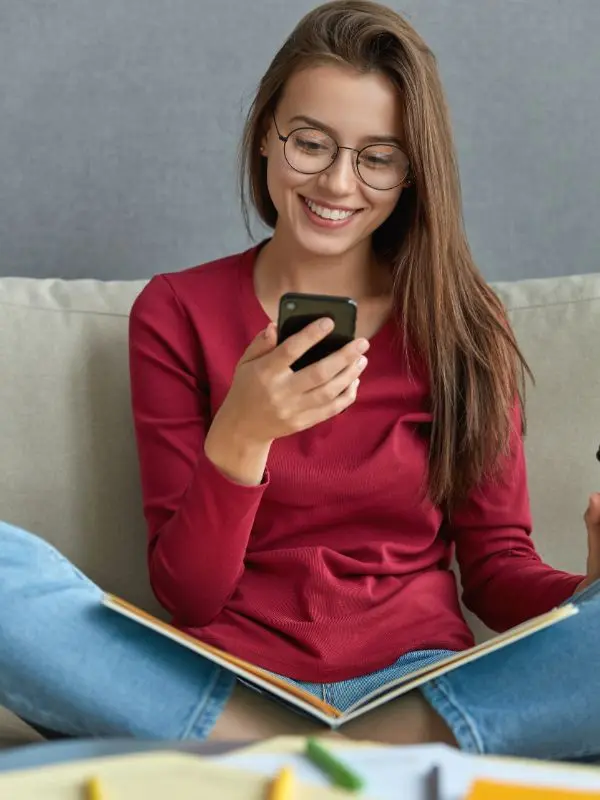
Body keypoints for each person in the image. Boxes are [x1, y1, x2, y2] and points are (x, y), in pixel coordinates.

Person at [1, 0, 599, 759]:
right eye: (311, 143)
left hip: (419, 684)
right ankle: (331, 753)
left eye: (378, 156)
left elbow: (496, 567)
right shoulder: (177, 310)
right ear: (264, 136)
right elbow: (189, 596)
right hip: (222, 678)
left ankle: (317, 751)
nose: (340, 183)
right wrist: (244, 433)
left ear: (414, 171)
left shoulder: (465, 325)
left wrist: (581, 599)